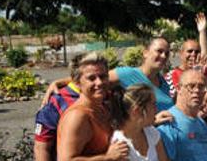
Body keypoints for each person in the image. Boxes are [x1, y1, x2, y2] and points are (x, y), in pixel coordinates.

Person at [43, 37, 175, 119]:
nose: (163, 56)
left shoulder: (164, 83)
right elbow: (94, 79)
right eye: (159, 51)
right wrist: (59, 82)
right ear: (145, 53)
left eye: (167, 53)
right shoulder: (127, 74)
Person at [167, 12, 207, 97]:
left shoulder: (206, 73)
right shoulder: (171, 76)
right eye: (190, 51)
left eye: (197, 51)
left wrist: (202, 32)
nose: (193, 54)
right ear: (181, 54)